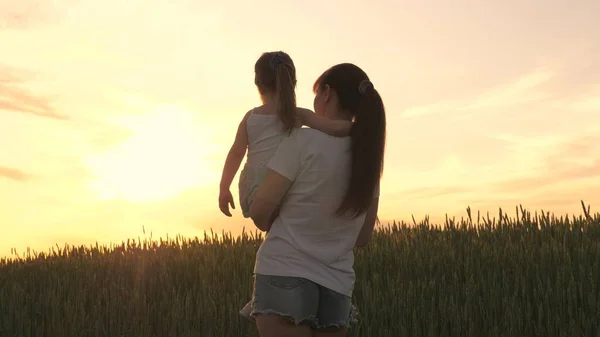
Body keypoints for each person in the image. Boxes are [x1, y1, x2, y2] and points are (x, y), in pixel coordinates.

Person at [247, 63, 386, 337]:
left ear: (326, 93)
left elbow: (260, 214)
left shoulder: (302, 141)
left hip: (284, 272)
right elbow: (363, 236)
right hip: (336, 286)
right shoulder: (368, 161)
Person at [218, 51, 353, 220]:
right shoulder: (298, 115)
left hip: (254, 193)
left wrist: (224, 188)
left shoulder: (250, 118)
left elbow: (235, 154)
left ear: (258, 84)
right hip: (284, 189)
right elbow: (333, 128)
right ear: (293, 83)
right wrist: (358, 127)